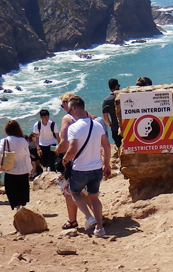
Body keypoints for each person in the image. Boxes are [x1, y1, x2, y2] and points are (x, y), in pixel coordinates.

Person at [61, 96, 113, 237]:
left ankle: (89, 218)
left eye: (70, 110)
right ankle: (100, 228)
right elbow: (107, 146)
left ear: (74, 109)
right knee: (94, 198)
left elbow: (72, 149)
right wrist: (107, 165)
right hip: (96, 169)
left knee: (74, 193)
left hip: (80, 169)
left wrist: (65, 159)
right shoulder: (97, 125)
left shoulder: (74, 127)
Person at [56, 93, 96, 230]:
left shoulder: (67, 118)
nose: (63, 108)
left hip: (73, 160)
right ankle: (97, 217)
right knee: (88, 191)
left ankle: (73, 220)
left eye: (63, 105)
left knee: (69, 191)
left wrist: (57, 152)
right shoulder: (88, 115)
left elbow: (64, 143)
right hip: (91, 158)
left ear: (67, 103)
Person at [0, 120, 33, 210]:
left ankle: (17, 209)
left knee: (13, 193)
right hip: (23, 171)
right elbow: (27, 156)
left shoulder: (5, 141)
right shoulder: (23, 140)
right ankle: (21, 209)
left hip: (10, 171)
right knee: (22, 193)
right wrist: (30, 168)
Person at [32, 108, 60, 174]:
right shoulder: (37, 125)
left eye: (47, 116)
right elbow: (36, 137)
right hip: (42, 145)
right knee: (44, 163)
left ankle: (52, 175)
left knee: (52, 162)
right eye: (44, 116)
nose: (46, 118)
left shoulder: (52, 124)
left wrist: (59, 146)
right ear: (40, 117)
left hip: (52, 144)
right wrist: (38, 148)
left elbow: (57, 136)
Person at [102, 79, 122, 149]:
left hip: (115, 128)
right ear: (116, 86)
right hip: (126, 127)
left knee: (119, 147)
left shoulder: (106, 101)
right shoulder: (124, 97)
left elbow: (105, 116)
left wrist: (110, 124)